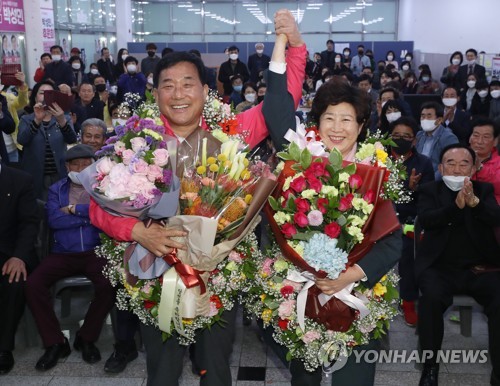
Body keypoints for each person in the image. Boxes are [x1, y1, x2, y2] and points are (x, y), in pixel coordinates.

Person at [89, 9, 306, 386]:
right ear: (155, 93)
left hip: (218, 274)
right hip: (155, 273)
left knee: (216, 368)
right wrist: (140, 233)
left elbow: (281, 104)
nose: (178, 94)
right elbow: (97, 206)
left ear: (205, 91)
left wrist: (296, 46)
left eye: (188, 84)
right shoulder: (134, 143)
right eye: (168, 86)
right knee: (162, 370)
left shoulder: (230, 131)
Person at [262, 37, 401, 386]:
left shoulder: (374, 171)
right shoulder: (302, 157)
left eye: (347, 120)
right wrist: (281, 43)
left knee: (354, 378)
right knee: (304, 376)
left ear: (361, 125)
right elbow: (276, 110)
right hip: (303, 289)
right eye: (329, 118)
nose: (337, 128)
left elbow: (391, 242)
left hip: (354, 292)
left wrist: (348, 276)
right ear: (316, 121)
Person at [415, 143, 500, 386]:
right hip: (439, 268)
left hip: (480, 268)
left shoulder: (483, 190)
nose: (456, 168)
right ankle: (430, 368)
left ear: (473, 168)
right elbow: (428, 220)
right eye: (450, 163)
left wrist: (474, 203)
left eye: (464, 163)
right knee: (430, 298)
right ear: (440, 167)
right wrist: (455, 207)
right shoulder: (430, 189)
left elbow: (495, 217)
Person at [26, 144, 116, 372]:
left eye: (86, 164)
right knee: (34, 284)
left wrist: (74, 209)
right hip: (63, 252)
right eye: (75, 164)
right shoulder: (57, 188)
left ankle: (86, 338)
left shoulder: (102, 188)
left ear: (93, 166)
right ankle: (55, 342)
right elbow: (55, 221)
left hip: (95, 251)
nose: (80, 167)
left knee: (110, 282)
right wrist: (89, 215)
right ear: (67, 166)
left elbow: (106, 215)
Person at [388, 117, 434, 326]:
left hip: (408, 218)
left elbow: (430, 197)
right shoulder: (379, 158)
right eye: (396, 136)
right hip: (380, 215)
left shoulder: (423, 162)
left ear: (414, 140)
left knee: (408, 253)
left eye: (406, 136)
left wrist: (415, 188)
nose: (401, 140)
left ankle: (408, 301)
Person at [0, 160, 38, 375]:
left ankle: (3, 349)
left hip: (10, 251)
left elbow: (29, 223)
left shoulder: (20, 180)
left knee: (14, 282)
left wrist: (18, 256)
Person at [17, 81, 77, 200]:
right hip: (34, 173)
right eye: (41, 93)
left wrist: (61, 121)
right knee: (38, 209)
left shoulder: (64, 117)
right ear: (35, 97)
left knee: (59, 205)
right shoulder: (26, 119)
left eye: (49, 93)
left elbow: (71, 139)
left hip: (59, 173)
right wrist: (37, 121)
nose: (45, 96)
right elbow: (22, 140)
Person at [416, 101, 459, 179]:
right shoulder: (419, 135)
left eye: (429, 116)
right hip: (417, 177)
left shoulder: (448, 138)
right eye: (423, 116)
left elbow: (449, 165)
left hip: (435, 181)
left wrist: (430, 181)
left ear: (439, 120)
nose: (425, 119)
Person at [469, 117, 500, 203]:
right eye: (476, 135)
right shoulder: (459, 156)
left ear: (495, 141)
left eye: (486, 137)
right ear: (469, 138)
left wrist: (480, 167)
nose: (479, 141)